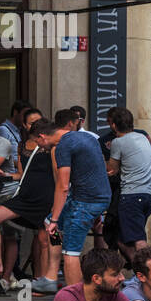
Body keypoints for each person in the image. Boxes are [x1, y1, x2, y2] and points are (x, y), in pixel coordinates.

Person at [42, 108, 112, 289]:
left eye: (38, 143)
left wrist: (56, 218)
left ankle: (79, 300)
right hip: (99, 197)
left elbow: (63, 186)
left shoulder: (62, 146)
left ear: (42, 137)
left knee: (71, 253)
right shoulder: (89, 138)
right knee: (48, 222)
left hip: (85, 202)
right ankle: (51, 275)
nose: (41, 148)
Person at [0, 118, 57, 287]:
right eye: (28, 121)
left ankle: (40, 281)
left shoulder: (52, 147)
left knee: (43, 240)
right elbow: (21, 174)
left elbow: (58, 175)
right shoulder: (21, 146)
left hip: (45, 196)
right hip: (25, 195)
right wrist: (5, 176)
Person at [105, 106, 151, 256]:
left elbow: (111, 170)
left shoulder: (118, 142)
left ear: (113, 125)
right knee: (121, 238)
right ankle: (139, 272)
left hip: (132, 196)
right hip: (149, 196)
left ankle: (149, 273)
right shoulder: (143, 138)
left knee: (138, 240)